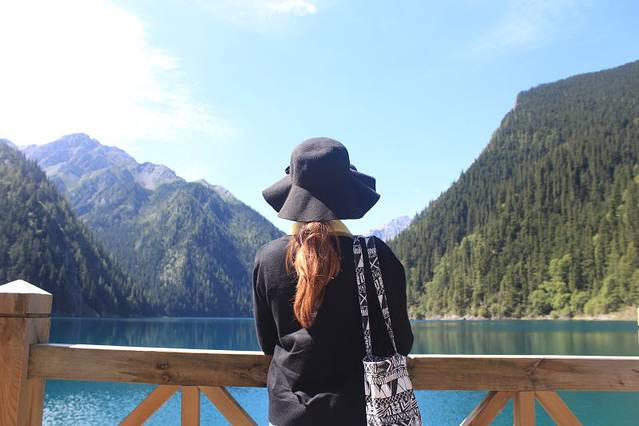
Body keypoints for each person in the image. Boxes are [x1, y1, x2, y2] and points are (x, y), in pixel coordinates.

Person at [253, 137, 414, 426]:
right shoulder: (377, 256)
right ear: (346, 191)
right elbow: (401, 341)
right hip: (364, 415)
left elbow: (268, 344)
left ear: (293, 191)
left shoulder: (268, 258)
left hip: (289, 416)